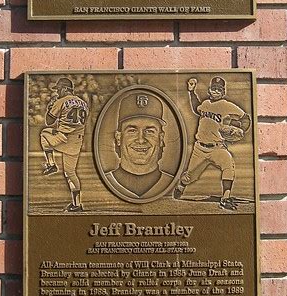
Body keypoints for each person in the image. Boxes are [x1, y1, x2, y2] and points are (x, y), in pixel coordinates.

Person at [173, 76, 251, 210]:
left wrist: (241, 130)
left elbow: (245, 119)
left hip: (217, 148)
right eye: (213, 88)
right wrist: (191, 92)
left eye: (219, 89)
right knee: (190, 176)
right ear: (209, 90)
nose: (216, 91)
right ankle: (181, 186)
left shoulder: (228, 106)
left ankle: (226, 196)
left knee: (228, 164)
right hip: (200, 149)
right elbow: (196, 107)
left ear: (223, 92)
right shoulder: (206, 104)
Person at [105, 90, 173, 199]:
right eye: (132, 130)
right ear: (118, 137)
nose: (141, 140)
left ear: (161, 138)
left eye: (149, 131)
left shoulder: (173, 183)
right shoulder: (105, 182)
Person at [40, 77, 88, 212]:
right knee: (70, 173)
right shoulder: (83, 103)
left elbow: (49, 121)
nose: (57, 92)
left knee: (44, 133)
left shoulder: (61, 101)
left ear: (65, 89)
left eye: (59, 89)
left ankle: (51, 164)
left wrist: (50, 108)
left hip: (63, 137)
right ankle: (77, 204)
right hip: (77, 141)